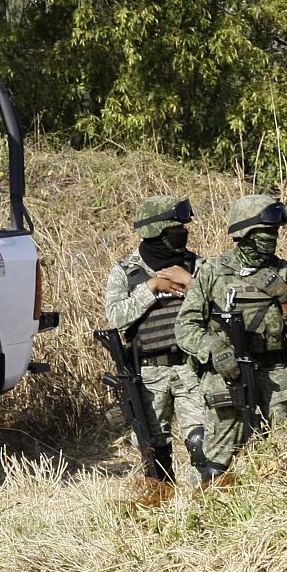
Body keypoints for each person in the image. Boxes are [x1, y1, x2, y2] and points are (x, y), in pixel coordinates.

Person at [174, 194, 287, 487]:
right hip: (227, 376)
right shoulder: (212, 271)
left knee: (281, 455)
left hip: (275, 376)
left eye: (274, 233)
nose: (272, 239)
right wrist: (214, 349)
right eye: (265, 233)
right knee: (218, 459)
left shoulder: (286, 272)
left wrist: (286, 300)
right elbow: (186, 326)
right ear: (244, 233)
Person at [103, 195, 207, 503]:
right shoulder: (126, 272)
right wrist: (151, 289)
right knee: (152, 449)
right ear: (156, 231)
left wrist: (190, 285)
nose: (183, 233)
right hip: (148, 373)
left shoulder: (196, 266)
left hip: (191, 368)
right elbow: (116, 318)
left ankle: (207, 507)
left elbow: (216, 308)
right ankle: (160, 512)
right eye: (175, 228)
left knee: (201, 442)